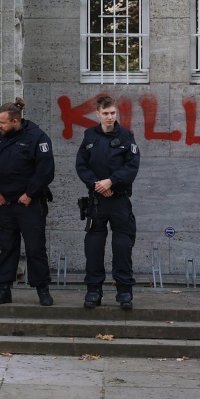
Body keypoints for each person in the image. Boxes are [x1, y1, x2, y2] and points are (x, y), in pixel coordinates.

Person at [0, 98, 55, 306]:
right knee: (7, 247)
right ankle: (3, 288)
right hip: (5, 204)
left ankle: (42, 288)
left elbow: (45, 171)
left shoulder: (37, 138)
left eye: (2, 122)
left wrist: (30, 193)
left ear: (15, 122)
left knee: (35, 248)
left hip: (29, 203)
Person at [75, 95, 140, 310]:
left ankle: (124, 292)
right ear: (98, 114)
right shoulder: (89, 136)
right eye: (106, 113)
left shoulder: (126, 136)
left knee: (122, 246)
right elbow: (81, 165)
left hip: (119, 200)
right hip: (97, 201)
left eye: (113, 113)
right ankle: (94, 291)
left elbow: (132, 166)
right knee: (94, 247)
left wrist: (111, 181)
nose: (110, 117)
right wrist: (97, 185)